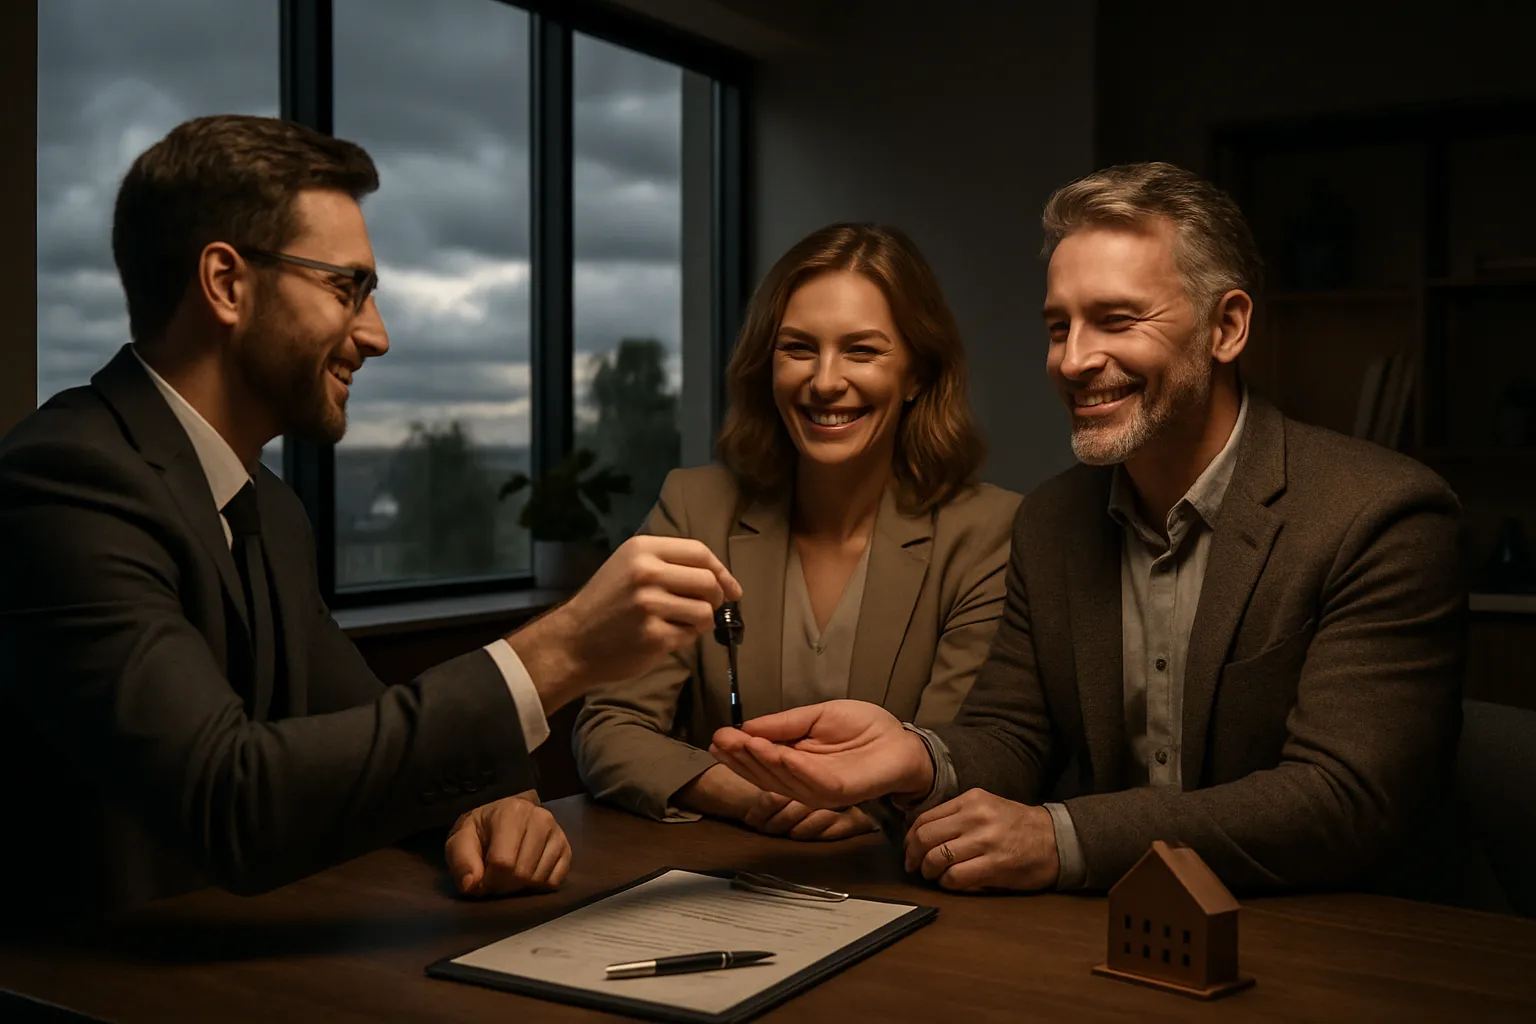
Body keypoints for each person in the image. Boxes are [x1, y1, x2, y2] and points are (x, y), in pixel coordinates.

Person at [0, 114, 740, 921]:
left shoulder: (269, 509)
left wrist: (488, 806)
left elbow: (365, 734)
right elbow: (229, 798)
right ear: (225, 283)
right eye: (346, 287)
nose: (376, 335)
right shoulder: (65, 481)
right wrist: (563, 648)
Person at [709, 162, 1467, 895]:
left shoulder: (1382, 516)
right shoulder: (1052, 520)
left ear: (1227, 326)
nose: (1073, 361)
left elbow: (1339, 802)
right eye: (1057, 326)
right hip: (1114, 941)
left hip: (1348, 947)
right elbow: (1013, 736)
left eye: (1116, 320)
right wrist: (914, 755)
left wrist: (1062, 839)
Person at [573, 223, 1020, 840]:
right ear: (767, 364)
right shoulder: (693, 509)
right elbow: (610, 727)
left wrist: (854, 803)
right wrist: (749, 797)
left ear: (917, 375)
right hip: (724, 878)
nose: (826, 381)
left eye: (862, 351)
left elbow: (965, 754)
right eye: (799, 348)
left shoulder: (988, 533)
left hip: (903, 884)